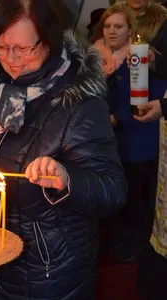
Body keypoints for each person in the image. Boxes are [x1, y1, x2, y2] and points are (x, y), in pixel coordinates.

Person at [0, 0, 127, 299]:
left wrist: (66, 179)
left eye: (23, 48)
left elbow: (112, 191)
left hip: (46, 271)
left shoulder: (79, 104)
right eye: (0, 47)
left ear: (49, 42)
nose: (10, 59)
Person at [93, 2, 167, 263]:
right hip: (107, 141)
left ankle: (131, 243)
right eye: (108, 26)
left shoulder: (138, 58)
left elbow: (150, 99)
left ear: (130, 31)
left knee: (135, 198)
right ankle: (113, 239)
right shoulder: (95, 62)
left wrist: (117, 118)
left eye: (119, 27)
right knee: (111, 195)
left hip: (137, 140)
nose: (112, 32)